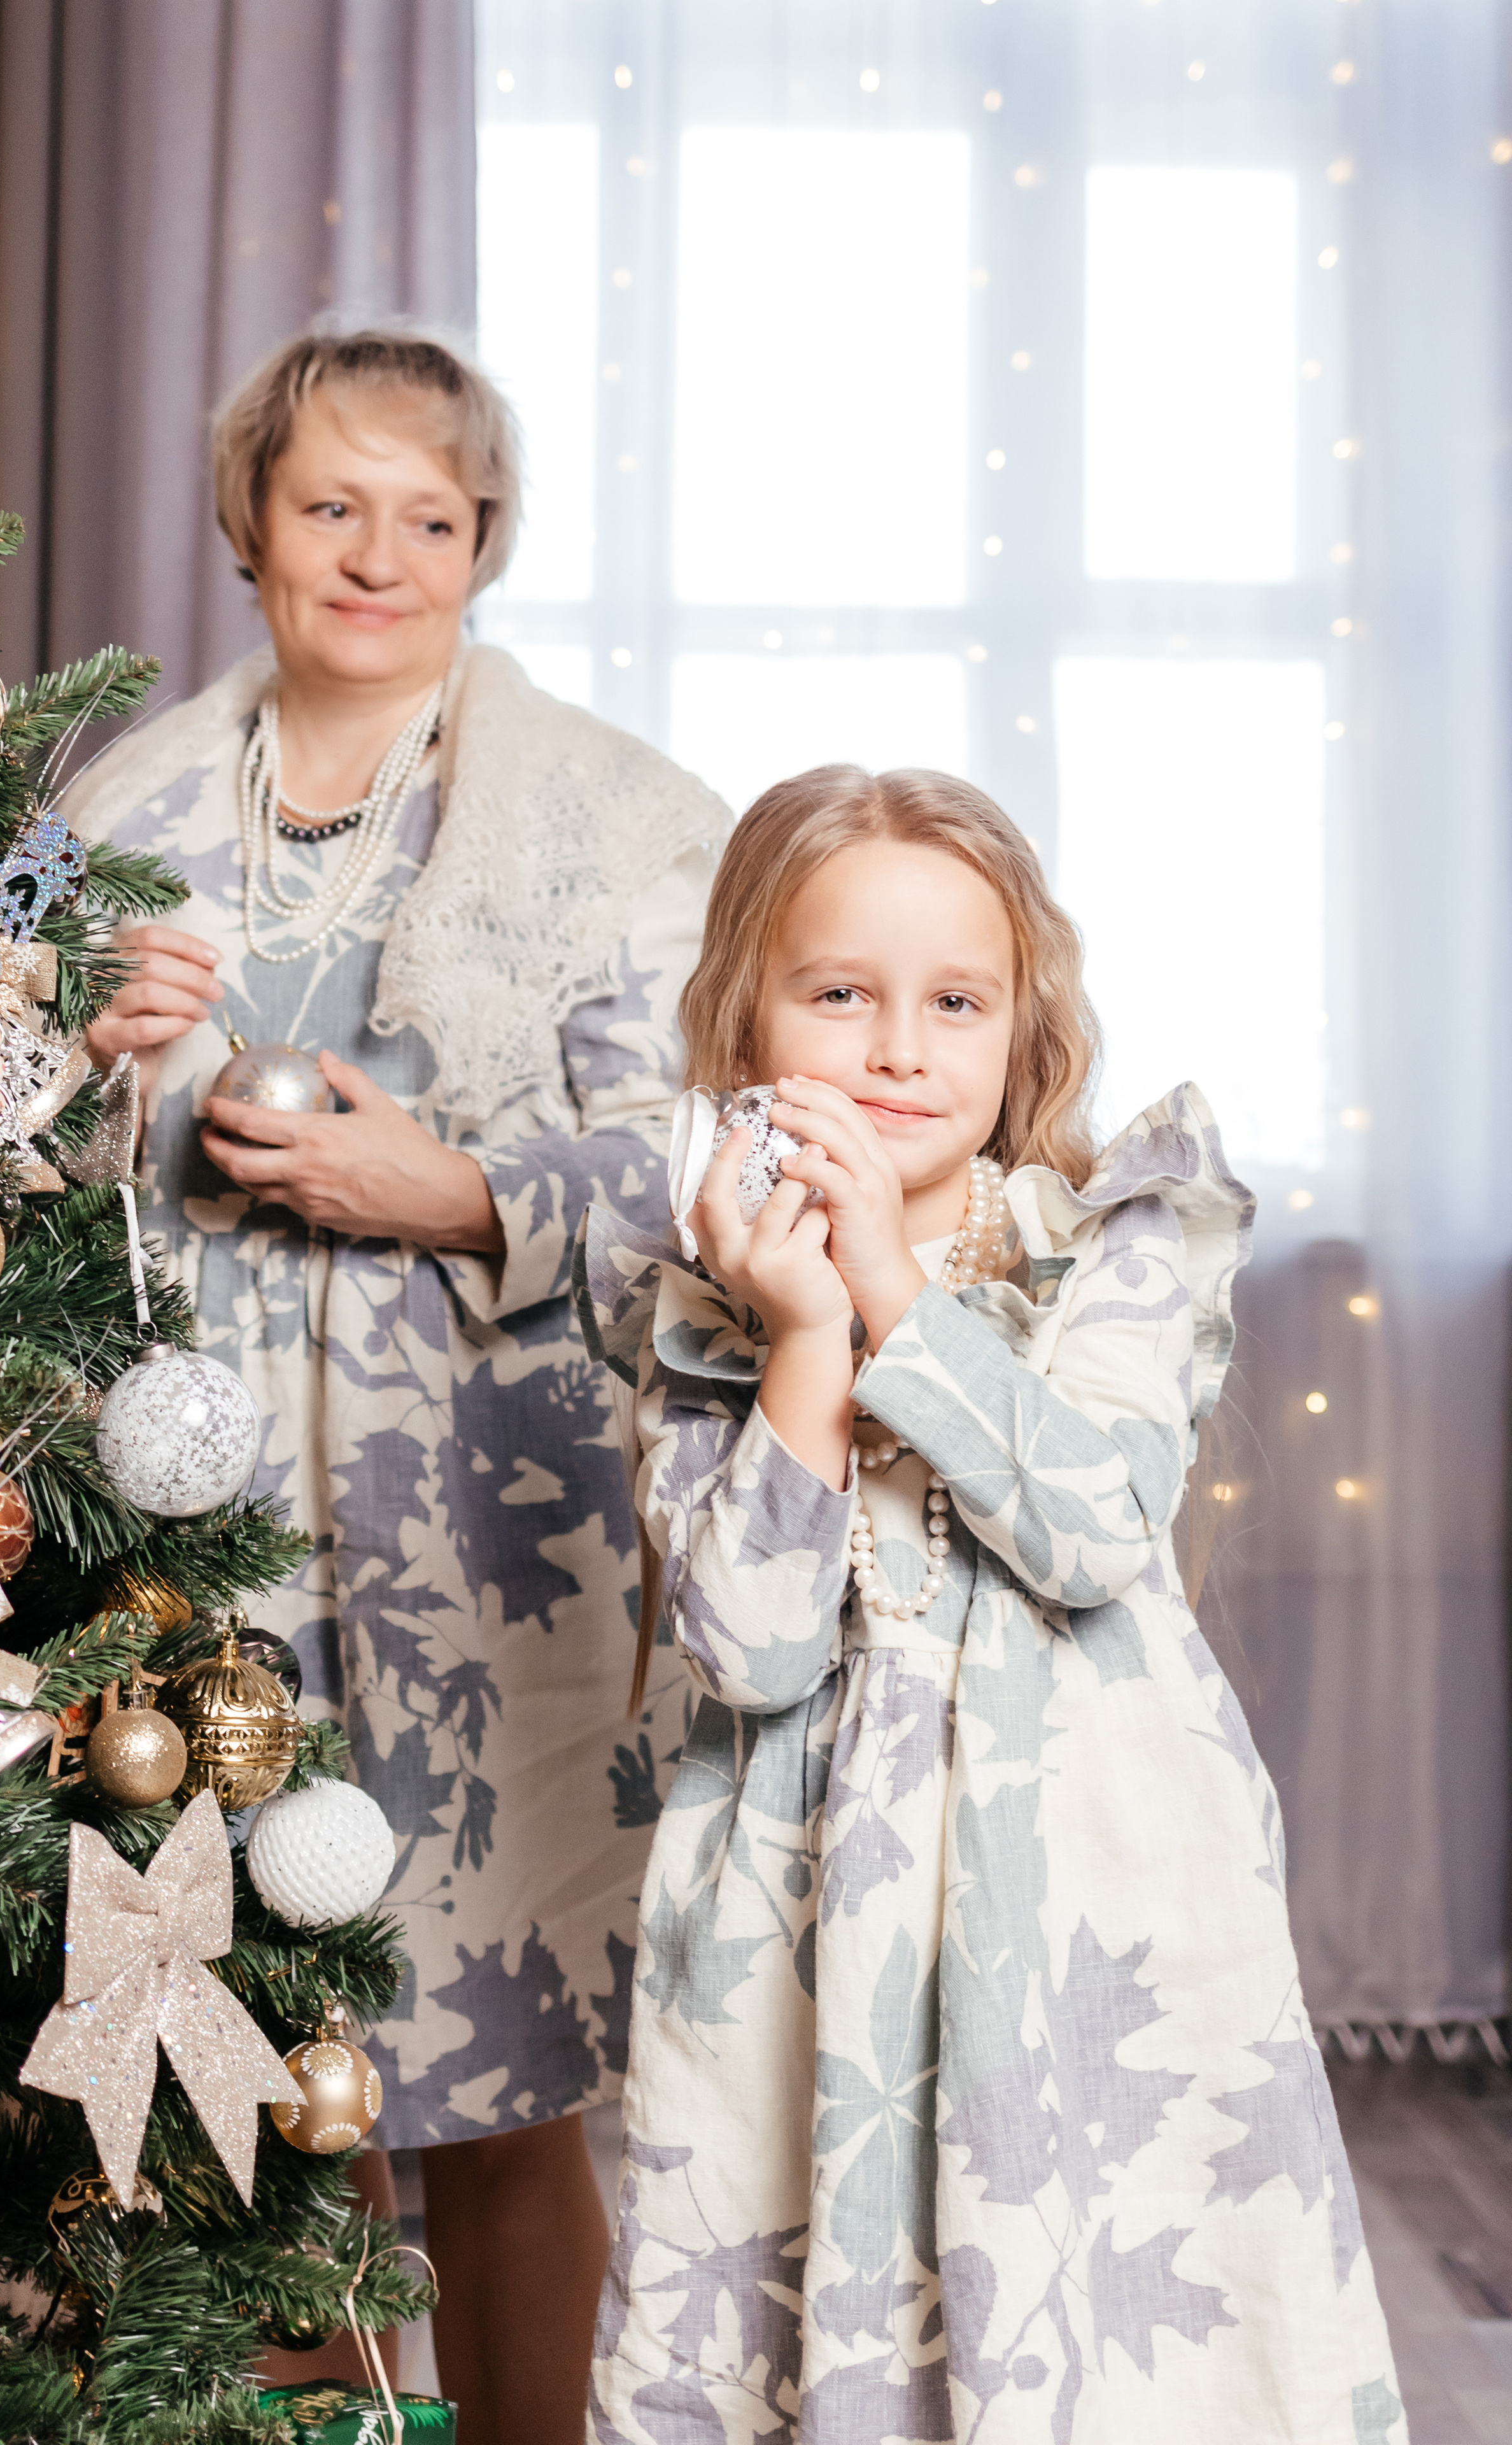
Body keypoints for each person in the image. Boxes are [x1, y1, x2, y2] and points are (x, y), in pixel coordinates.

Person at [66, 327, 726, 2439]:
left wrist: (449, 1189)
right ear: (250, 517)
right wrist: (84, 1055)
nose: (377, 555)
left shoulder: (621, 824)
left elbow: (715, 1171)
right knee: (250, 2098)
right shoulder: (121, 805)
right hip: (193, 1553)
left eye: (427, 518)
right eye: (331, 503)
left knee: (505, 2102)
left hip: (496, 1562)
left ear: (486, 545)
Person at [575, 767, 1406, 2442]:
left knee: (1108, 2323)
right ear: (750, 1014)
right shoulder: (716, 1294)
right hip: (799, 1927)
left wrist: (889, 1288)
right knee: (810, 2325)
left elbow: (1094, 1526)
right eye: (840, 996)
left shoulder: (1117, 1243)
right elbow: (749, 1642)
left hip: (1091, 1893)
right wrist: (806, 1332)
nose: (897, 1050)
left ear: (1023, 1032)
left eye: (954, 1002)